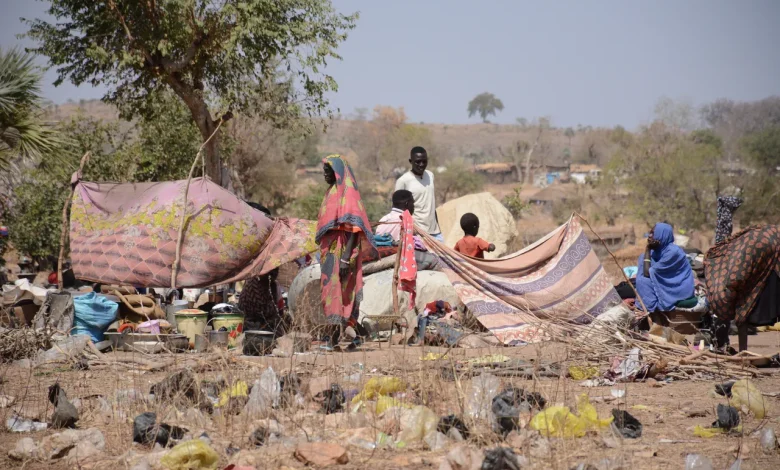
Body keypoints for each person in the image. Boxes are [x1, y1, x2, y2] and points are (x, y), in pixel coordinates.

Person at [316, 155, 377, 349]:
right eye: (324, 171)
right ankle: (350, 337)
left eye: (329, 171)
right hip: (331, 252)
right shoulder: (332, 191)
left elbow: (354, 228)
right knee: (332, 293)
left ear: (339, 172)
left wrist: (344, 259)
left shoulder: (348, 193)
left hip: (342, 252)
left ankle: (335, 339)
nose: (325, 175)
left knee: (340, 293)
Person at [706, 225, 780, 351]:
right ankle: (743, 353)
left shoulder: (736, 267)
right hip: (767, 247)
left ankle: (743, 352)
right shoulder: (733, 252)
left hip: (766, 251)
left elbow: (737, 278)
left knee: (743, 312)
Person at [237, 202, 288, 336]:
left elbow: (271, 274)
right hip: (258, 297)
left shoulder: (266, 245)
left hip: (262, 295)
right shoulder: (258, 243)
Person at [635, 223, 695, 312]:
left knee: (643, 281)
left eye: (653, 233)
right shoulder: (656, 252)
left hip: (677, 287)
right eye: (650, 233)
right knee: (642, 259)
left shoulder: (673, 252)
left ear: (662, 235)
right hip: (664, 284)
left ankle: (653, 308)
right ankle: (649, 306)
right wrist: (647, 252)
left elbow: (648, 273)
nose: (649, 236)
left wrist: (648, 249)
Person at [376, 190, 440, 271]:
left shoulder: (383, 219)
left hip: (383, 254)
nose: (413, 206)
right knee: (435, 260)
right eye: (412, 203)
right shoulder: (407, 220)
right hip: (401, 254)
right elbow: (416, 244)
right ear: (407, 204)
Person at [395, 147, 444, 242]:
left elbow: (431, 203)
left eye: (424, 161)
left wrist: (438, 227)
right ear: (410, 161)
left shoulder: (430, 175)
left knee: (443, 257)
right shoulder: (403, 181)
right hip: (417, 234)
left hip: (435, 233)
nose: (421, 165)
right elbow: (398, 211)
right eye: (418, 162)